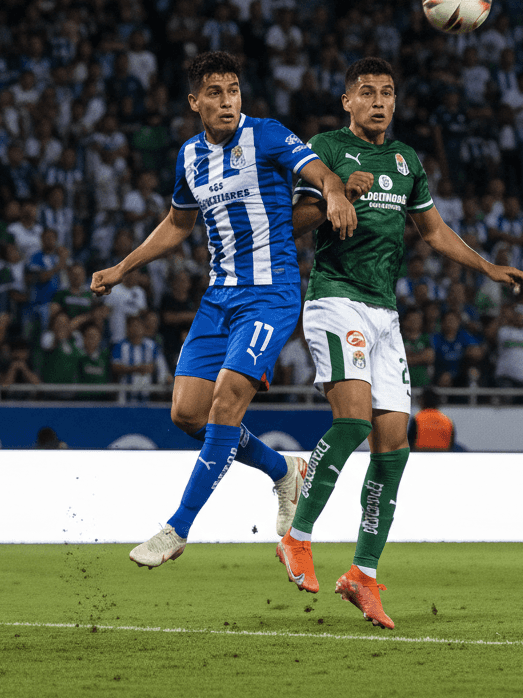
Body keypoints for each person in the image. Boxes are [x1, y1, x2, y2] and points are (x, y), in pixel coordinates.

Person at [276, 56, 523, 629]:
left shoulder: (406, 160)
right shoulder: (326, 150)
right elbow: (291, 224)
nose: (379, 102)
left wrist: (488, 267)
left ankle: (362, 574)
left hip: (384, 313)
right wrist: (336, 193)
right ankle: (296, 535)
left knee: (394, 446)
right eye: (367, 92)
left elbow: (434, 231)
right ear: (347, 101)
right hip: (335, 298)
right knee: (353, 422)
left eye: (387, 92)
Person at [90, 50, 357, 569]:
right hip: (219, 298)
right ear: (195, 102)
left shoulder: (267, 134)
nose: (227, 100)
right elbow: (178, 223)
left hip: (271, 294)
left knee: (226, 404)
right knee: (187, 414)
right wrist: (123, 267)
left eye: (233, 90)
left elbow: (322, 174)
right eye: (215, 92)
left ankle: (177, 528)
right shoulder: (190, 156)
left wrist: (337, 195)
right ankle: (284, 470)